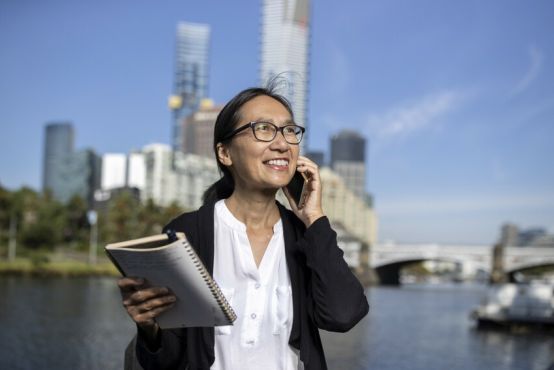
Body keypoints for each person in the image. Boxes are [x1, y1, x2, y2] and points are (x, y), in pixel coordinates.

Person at [117, 82, 369, 370]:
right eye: (263, 129)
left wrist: (315, 219)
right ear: (225, 153)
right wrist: (150, 326)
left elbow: (343, 315)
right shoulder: (189, 232)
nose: (282, 143)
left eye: (289, 130)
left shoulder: (306, 236)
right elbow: (168, 357)